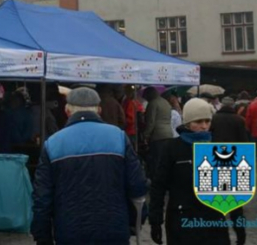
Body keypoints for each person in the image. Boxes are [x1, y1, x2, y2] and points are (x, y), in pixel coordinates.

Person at [31, 87, 147, 245]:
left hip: (69, 231)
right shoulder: (118, 137)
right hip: (113, 229)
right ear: (99, 110)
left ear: (67, 111)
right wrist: (133, 223)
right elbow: (137, 187)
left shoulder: (53, 144)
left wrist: (43, 237)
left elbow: (42, 198)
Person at [149, 98, 231, 245]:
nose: (204, 126)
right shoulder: (172, 148)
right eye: (198, 122)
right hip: (182, 220)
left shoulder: (219, 148)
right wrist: (155, 221)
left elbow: (230, 190)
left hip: (213, 221)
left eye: (207, 121)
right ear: (187, 123)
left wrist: (239, 222)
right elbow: (159, 185)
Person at [210, 96, 249, 245]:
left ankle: (220, 235)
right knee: (236, 206)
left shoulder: (214, 118)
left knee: (216, 201)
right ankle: (241, 236)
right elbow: (244, 143)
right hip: (234, 161)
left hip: (216, 160)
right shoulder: (239, 120)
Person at [143, 87, 173, 178]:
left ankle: (156, 180)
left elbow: (151, 122)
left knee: (156, 160)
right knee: (166, 160)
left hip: (158, 136)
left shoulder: (153, 103)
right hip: (169, 134)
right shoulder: (166, 102)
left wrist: (146, 135)